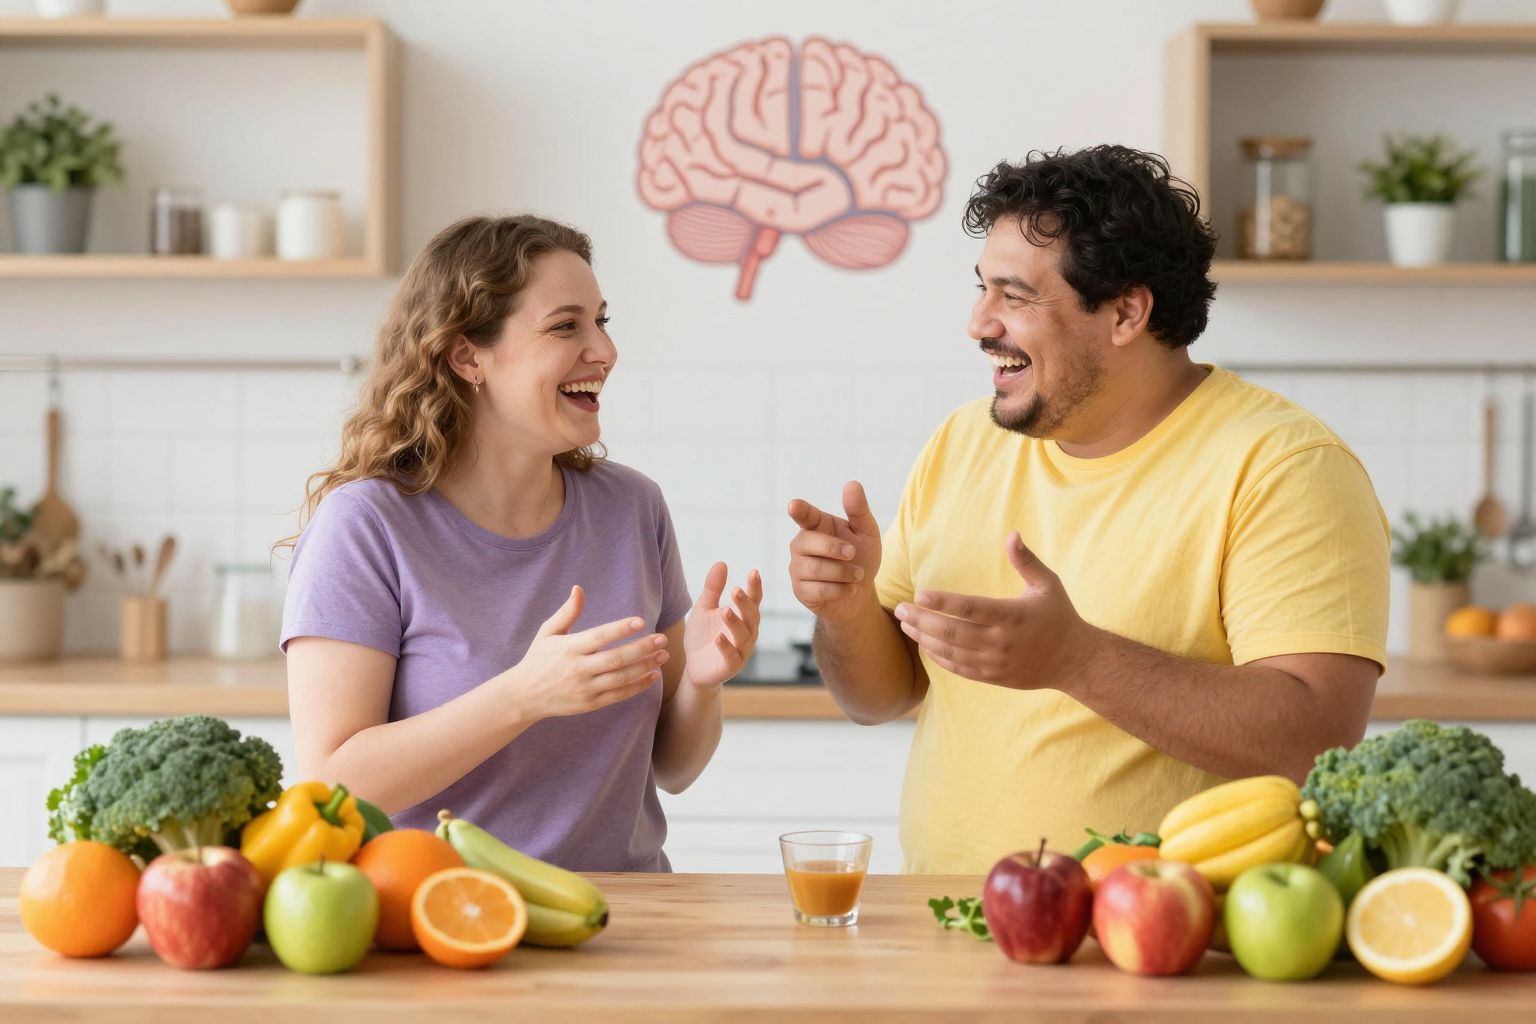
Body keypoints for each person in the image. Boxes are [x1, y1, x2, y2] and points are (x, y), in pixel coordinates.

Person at [785, 146, 1389, 874]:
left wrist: (1077, 660)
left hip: (1169, 956)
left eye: (1014, 295)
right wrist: (846, 613)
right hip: (940, 931)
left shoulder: (1283, 467)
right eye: (982, 289)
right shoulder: (963, 442)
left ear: (1127, 312)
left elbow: (1317, 739)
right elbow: (878, 698)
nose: (979, 323)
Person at [280, 214, 761, 872]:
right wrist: (522, 697)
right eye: (567, 326)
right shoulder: (368, 527)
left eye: (602, 321)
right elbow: (337, 783)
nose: (604, 350)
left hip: (624, 922)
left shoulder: (631, 509)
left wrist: (701, 687)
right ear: (467, 355)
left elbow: (674, 768)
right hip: (439, 923)